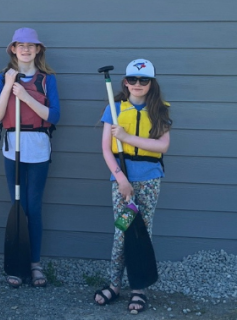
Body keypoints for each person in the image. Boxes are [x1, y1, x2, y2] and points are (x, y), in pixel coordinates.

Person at [94, 59, 172, 313]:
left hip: (149, 179)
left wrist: (127, 137)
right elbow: (106, 149)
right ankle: (114, 283)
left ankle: (138, 288)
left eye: (144, 80)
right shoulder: (115, 109)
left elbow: (162, 146)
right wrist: (121, 179)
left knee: (142, 233)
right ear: (125, 82)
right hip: (122, 181)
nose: (138, 84)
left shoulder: (159, 109)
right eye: (133, 80)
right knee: (122, 232)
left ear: (151, 84)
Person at [0, 28, 60, 288]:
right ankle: (17, 262)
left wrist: (26, 96)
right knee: (17, 205)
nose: (26, 49)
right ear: (13, 49)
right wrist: (10, 85)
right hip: (13, 148)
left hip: (38, 148)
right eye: (21, 45)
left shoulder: (47, 79)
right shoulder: (2, 78)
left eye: (31, 45)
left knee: (34, 207)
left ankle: (34, 263)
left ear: (38, 49)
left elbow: (53, 116)